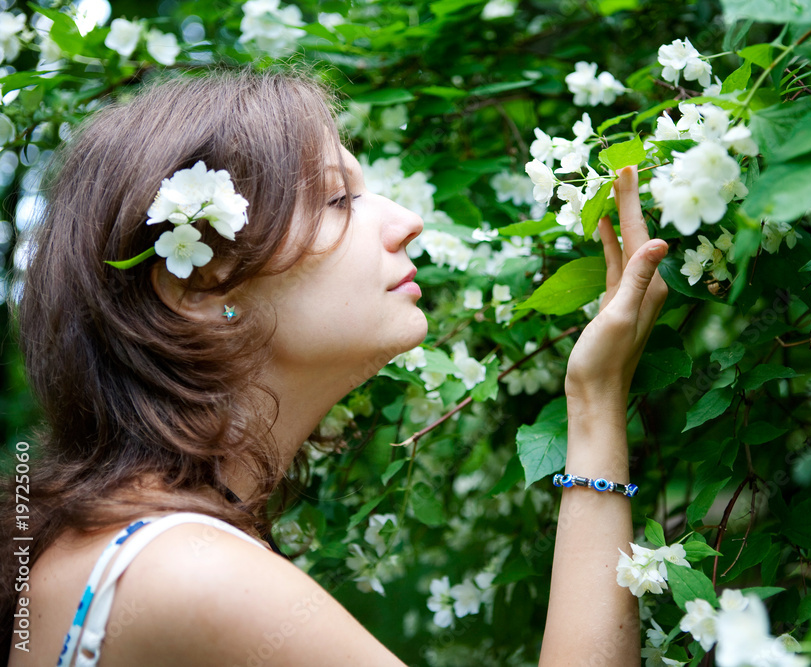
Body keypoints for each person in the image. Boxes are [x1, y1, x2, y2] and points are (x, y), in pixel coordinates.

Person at [2, 70, 669, 666]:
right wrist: (595, 405)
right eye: (337, 200)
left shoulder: (102, 551)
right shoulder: (194, 575)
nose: (407, 222)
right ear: (199, 289)